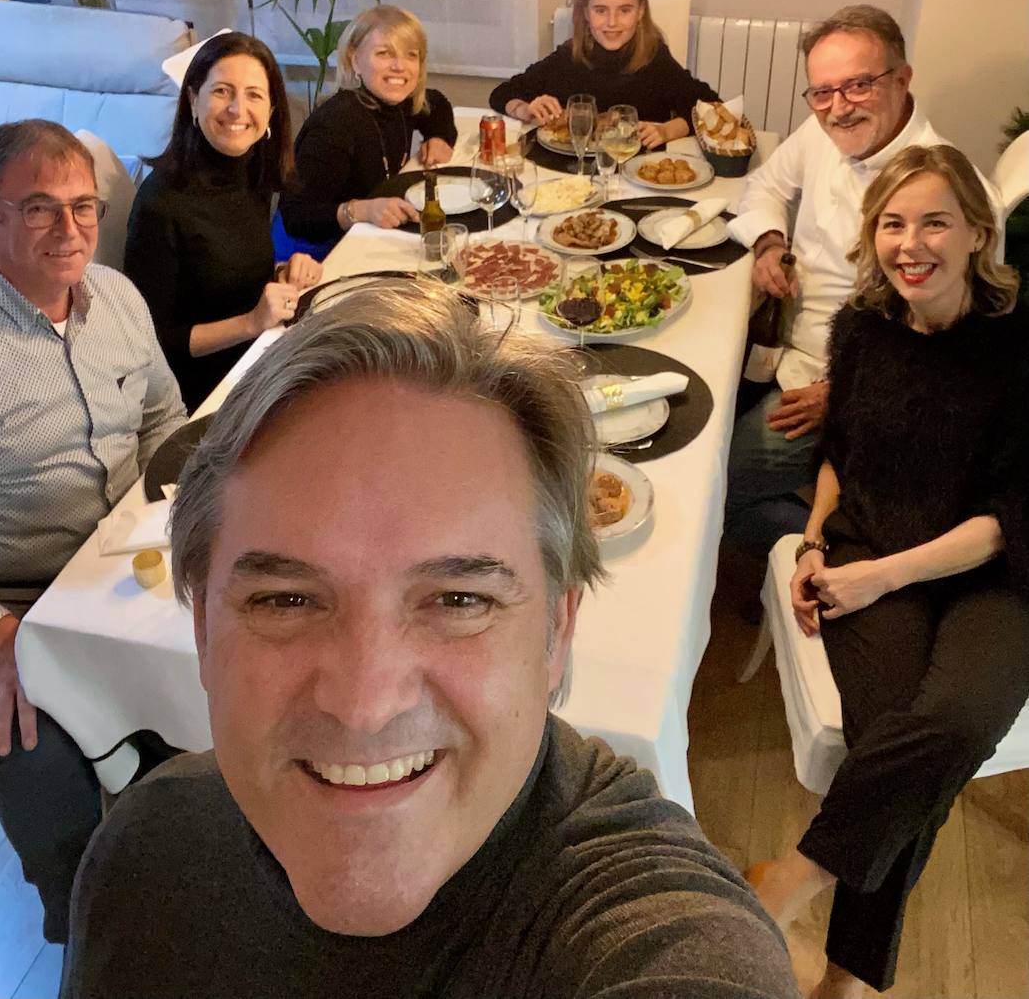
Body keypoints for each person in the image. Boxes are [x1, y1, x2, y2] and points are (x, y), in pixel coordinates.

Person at [63, 282, 799, 999]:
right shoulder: (144, 852)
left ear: (557, 631)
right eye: (285, 599)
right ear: (201, 629)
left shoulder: (657, 935)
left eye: (457, 600)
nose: (364, 705)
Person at [749, 145, 1029, 998]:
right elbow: (838, 456)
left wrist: (884, 576)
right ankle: (848, 978)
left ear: (978, 231)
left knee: (951, 723)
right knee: (891, 745)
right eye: (891, 224)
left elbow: (1013, 513)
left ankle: (788, 879)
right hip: (868, 547)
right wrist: (813, 542)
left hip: (992, 566)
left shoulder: (1019, 343)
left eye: (934, 221)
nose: (910, 244)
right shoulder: (862, 330)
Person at [0, 120, 187, 943]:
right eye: (39, 208)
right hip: (22, 598)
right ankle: (87, 923)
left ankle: (198, 843)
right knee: (27, 744)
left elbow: (163, 417)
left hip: (131, 552)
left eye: (83, 206)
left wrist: (176, 514)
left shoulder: (117, 297)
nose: (70, 229)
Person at [722, 4, 993, 558]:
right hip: (783, 345)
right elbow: (765, 187)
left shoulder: (953, 194)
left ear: (902, 78)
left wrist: (844, 395)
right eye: (822, 92)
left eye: (859, 86)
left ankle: (843, 538)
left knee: (713, 478)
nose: (838, 109)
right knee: (690, 413)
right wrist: (771, 243)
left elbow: (954, 358)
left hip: (846, 392)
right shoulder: (823, 133)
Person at [124, 32, 322, 412]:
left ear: (271, 111)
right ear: (193, 99)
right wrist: (252, 322)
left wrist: (283, 273)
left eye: (254, 95)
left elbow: (223, 272)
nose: (237, 109)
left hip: (260, 356)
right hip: (204, 395)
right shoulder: (160, 204)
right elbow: (154, 344)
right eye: (221, 91)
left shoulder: (253, 170)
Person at [277, 6, 457, 252]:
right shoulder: (335, 124)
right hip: (317, 252)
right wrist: (361, 210)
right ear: (355, 61)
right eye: (384, 53)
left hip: (368, 237)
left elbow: (436, 105)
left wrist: (439, 137)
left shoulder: (401, 102)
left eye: (411, 55)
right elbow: (297, 217)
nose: (399, 66)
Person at [488, 0, 717, 149]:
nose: (612, 22)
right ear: (586, 13)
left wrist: (667, 130)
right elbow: (502, 93)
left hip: (634, 178)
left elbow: (711, 107)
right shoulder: (569, 57)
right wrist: (524, 109)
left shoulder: (655, 58)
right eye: (600, 10)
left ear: (641, 12)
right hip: (570, 177)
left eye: (625, 10)